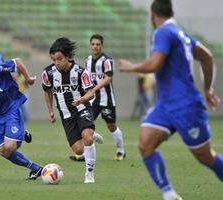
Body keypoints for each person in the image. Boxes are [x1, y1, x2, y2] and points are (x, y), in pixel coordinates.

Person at [119, 0, 222, 199]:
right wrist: (208, 88)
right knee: (146, 144)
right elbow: (207, 56)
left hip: (186, 106)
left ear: (153, 14)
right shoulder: (180, 33)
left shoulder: (163, 32)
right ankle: (169, 194)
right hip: (166, 106)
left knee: (205, 157)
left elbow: (155, 63)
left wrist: (131, 67)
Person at [42, 37, 101, 183]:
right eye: (54, 59)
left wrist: (82, 99)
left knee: (86, 136)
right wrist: (50, 110)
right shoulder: (48, 73)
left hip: (82, 108)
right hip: (66, 114)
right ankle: (91, 135)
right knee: (78, 150)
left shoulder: (80, 72)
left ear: (67, 56)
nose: (57, 62)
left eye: (60, 59)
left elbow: (91, 92)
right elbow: (47, 91)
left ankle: (89, 173)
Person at [70, 34, 125, 161]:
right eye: (93, 44)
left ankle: (120, 151)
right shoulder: (87, 60)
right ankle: (84, 154)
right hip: (92, 99)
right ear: (90, 45)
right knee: (85, 126)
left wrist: (94, 89)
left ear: (102, 45)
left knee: (111, 126)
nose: (95, 47)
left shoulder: (107, 61)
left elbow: (108, 78)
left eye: (98, 44)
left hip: (106, 99)